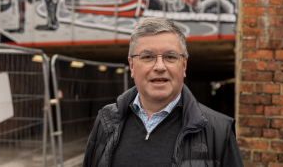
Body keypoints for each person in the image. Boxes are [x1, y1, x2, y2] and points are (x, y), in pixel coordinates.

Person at [83, 17, 243, 167]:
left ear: (184, 65)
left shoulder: (219, 132)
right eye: (147, 57)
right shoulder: (106, 121)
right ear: (132, 66)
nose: (160, 67)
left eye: (170, 57)